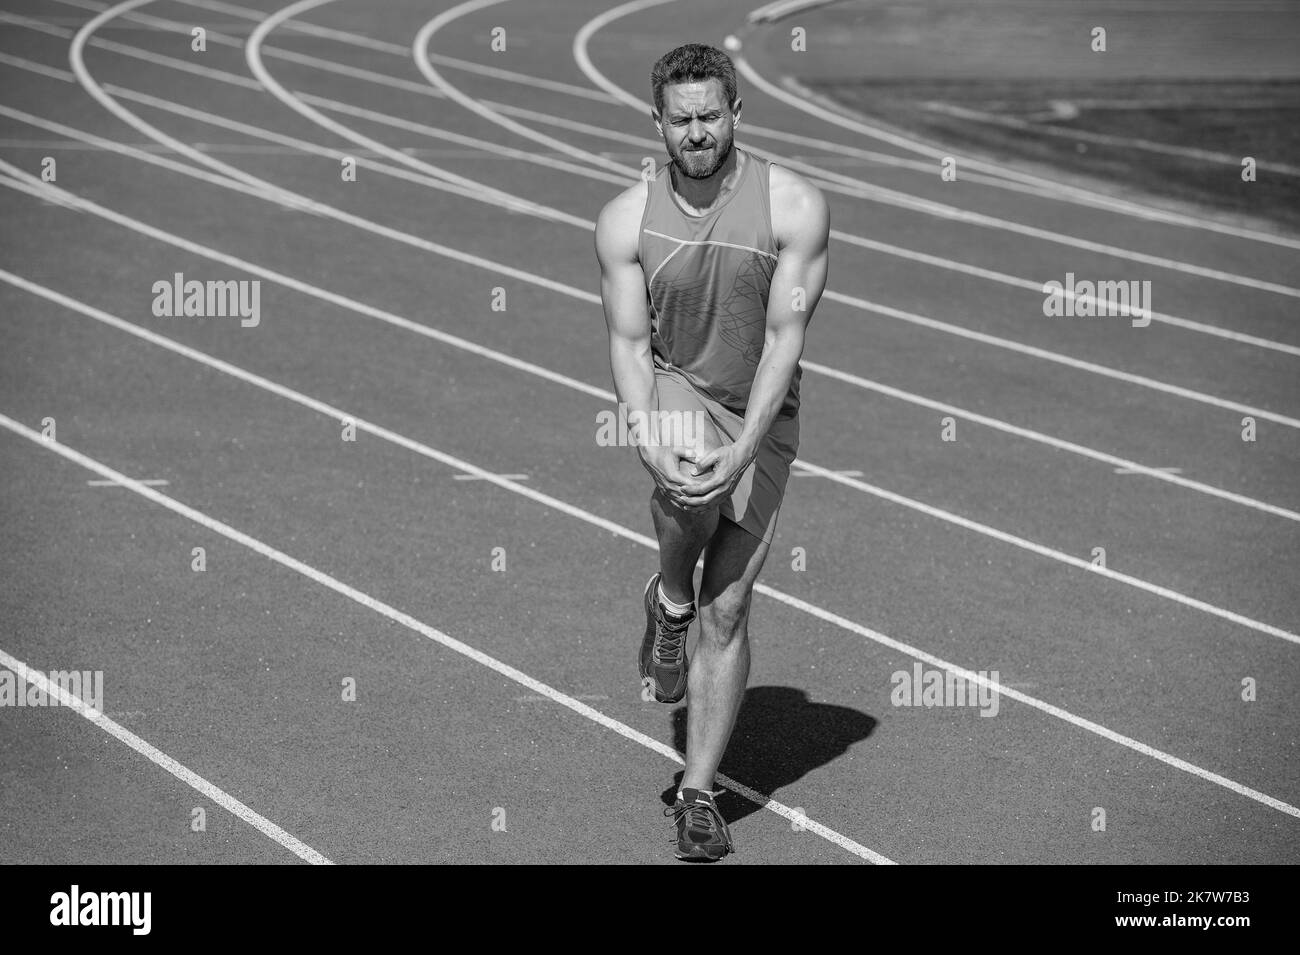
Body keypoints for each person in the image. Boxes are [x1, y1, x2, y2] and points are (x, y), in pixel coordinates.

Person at [595, 43, 830, 861]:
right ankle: (668, 598)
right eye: (681, 119)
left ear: (737, 113)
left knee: (729, 606)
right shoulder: (626, 220)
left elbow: (783, 341)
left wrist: (751, 447)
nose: (697, 132)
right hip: (680, 387)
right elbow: (629, 344)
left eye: (710, 115)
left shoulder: (794, 208)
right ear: (656, 121)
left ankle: (697, 793)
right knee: (690, 487)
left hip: (763, 406)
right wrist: (643, 431)